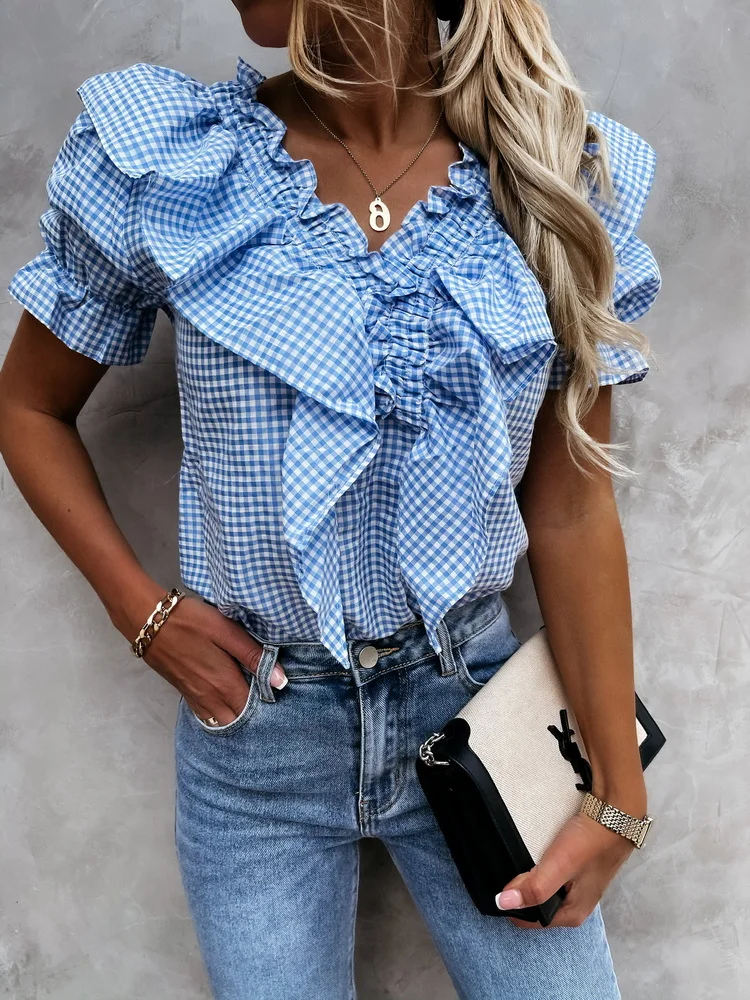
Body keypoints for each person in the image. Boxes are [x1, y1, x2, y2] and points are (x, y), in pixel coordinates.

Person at [0, 1, 663, 997]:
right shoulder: (177, 167)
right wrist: (143, 615)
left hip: (478, 717)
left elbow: (571, 508)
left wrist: (618, 790)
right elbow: (27, 406)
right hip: (257, 736)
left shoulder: (547, 178)